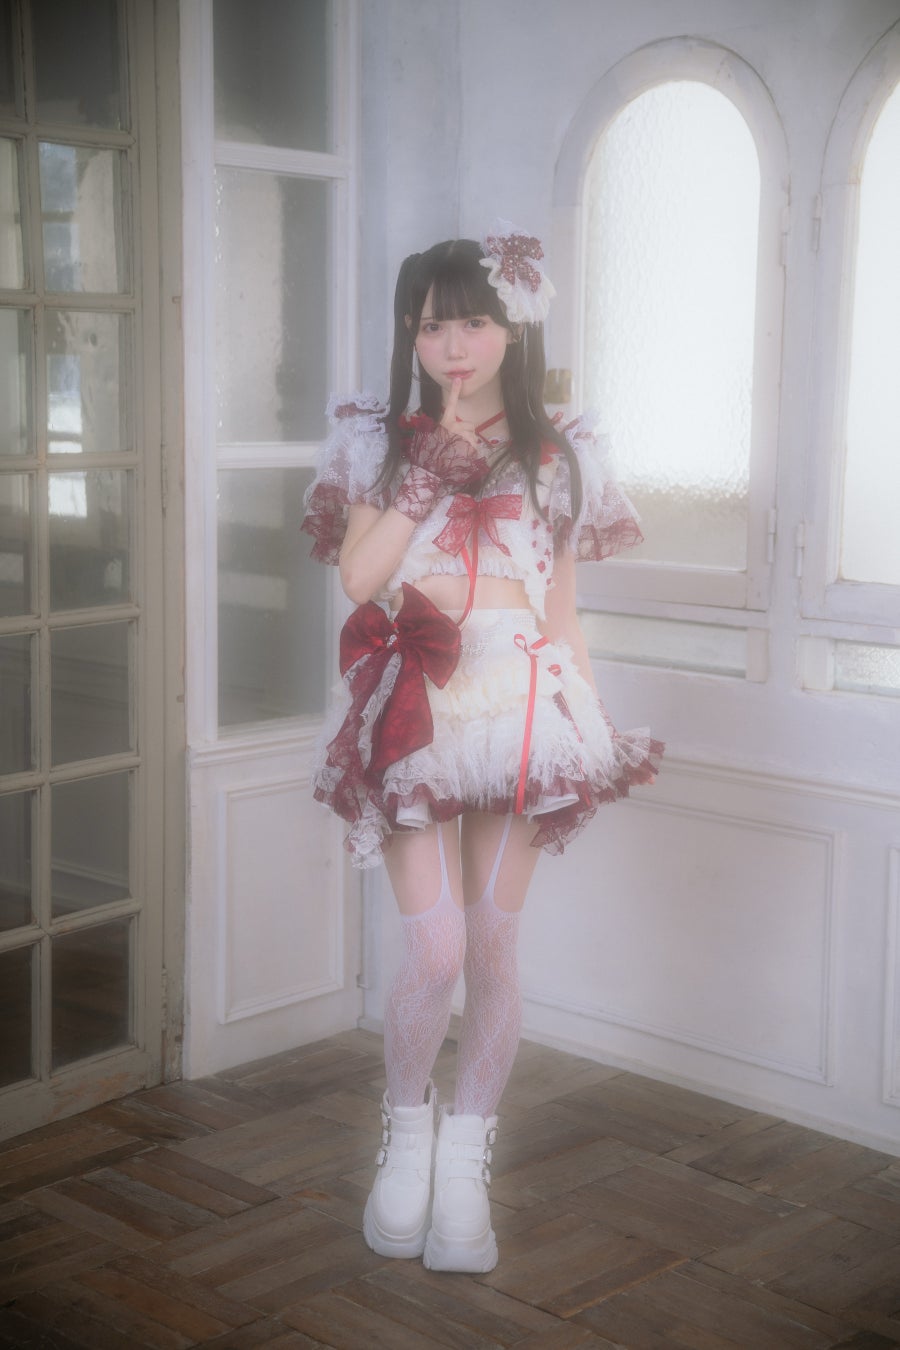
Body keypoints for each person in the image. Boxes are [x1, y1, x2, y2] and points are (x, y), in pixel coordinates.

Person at [301, 224, 663, 1273]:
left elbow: (562, 610)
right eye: (431, 326)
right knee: (436, 953)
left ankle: (466, 1166)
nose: (451, 346)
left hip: (522, 709)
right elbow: (359, 579)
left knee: (495, 950)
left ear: (513, 326)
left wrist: (592, 728)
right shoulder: (381, 440)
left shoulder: (559, 452)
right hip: (417, 699)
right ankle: (405, 1139)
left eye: (471, 322)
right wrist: (425, 472)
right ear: (411, 336)